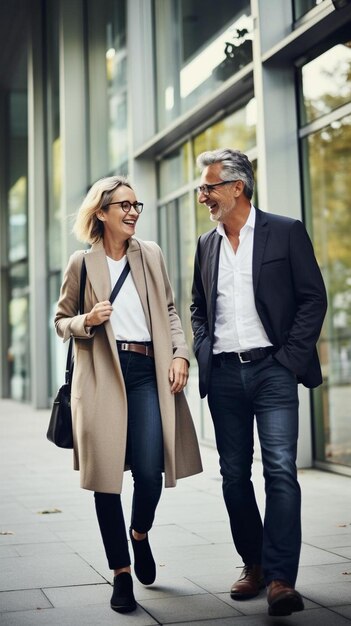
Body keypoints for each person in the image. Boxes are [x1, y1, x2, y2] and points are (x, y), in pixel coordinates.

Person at [55, 175, 202, 614]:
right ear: (101, 212)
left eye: (136, 205)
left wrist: (180, 354)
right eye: (124, 205)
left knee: (150, 470)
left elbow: (171, 311)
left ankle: (139, 534)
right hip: (102, 373)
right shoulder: (82, 263)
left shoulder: (150, 254)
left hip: (147, 372)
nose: (133, 212)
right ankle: (120, 574)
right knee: (106, 480)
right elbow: (62, 321)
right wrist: (88, 319)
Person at [190, 149, 327, 617]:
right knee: (232, 476)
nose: (202, 194)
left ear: (237, 187)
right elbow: (197, 307)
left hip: (273, 370)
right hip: (225, 374)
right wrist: (203, 347)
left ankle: (282, 579)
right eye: (202, 186)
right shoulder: (206, 244)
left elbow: (313, 298)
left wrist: (288, 360)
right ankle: (254, 564)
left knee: (281, 470)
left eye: (209, 186)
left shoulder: (285, 231)